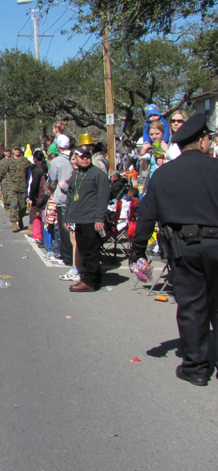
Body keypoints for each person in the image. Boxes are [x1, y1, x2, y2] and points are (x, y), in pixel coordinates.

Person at [131, 113, 218, 386]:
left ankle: (196, 368)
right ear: (203, 141)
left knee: (192, 307)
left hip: (184, 249)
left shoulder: (164, 174)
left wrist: (138, 251)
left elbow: (146, 215)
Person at [64, 145, 110, 292]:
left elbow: (103, 198)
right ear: (75, 158)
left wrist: (99, 218)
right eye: (82, 156)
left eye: (88, 156)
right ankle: (94, 278)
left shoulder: (98, 174)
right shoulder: (75, 175)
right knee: (83, 250)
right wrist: (67, 217)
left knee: (91, 252)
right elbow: (70, 197)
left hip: (92, 219)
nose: (85, 159)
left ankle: (89, 281)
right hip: (78, 219)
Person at [47, 135, 74, 269]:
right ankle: (74, 257)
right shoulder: (76, 158)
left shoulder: (56, 161)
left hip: (63, 198)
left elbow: (53, 180)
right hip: (78, 198)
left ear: (58, 146)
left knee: (65, 229)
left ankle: (68, 257)